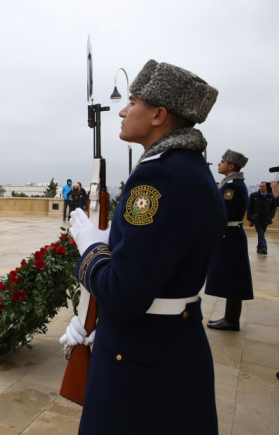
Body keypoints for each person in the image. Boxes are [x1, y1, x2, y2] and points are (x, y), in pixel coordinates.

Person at [64, 60, 225, 434]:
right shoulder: (190, 169)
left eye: (132, 101)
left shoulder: (158, 176)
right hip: (173, 348)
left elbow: (124, 293)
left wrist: (92, 251)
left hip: (138, 363)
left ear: (158, 114)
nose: (122, 109)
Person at [205, 151, 253, 332]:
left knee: (233, 279)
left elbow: (223, 213)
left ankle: (232, 320)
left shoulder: (232, 186)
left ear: (231, 166)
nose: (219, 164)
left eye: (222, 162)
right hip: (231, 236)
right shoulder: (232, 184)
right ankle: (230, 318)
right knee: (232, 278)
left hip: (230, 236)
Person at [248, 181, 276, 255]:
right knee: (261, 234)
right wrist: (250, 218)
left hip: (266, 219)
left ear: (266, 187)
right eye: (260, 186)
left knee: (262, 233)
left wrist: (270, 216)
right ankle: (263, 248)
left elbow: (273, 208)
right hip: (256, 219)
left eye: (262, 186)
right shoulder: (254, 195)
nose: (261, 187)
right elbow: (249, 207)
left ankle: (259, 248)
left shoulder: (271, 196)